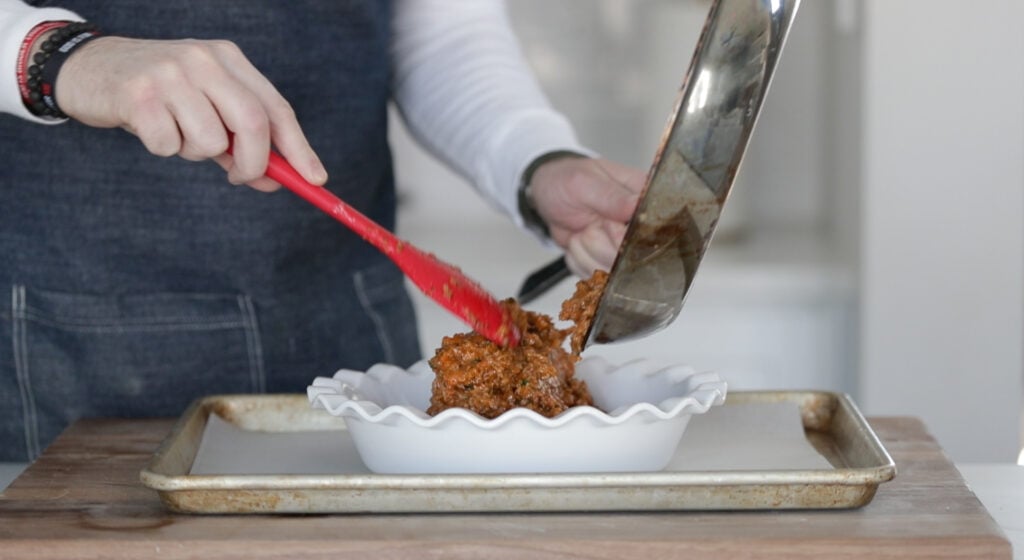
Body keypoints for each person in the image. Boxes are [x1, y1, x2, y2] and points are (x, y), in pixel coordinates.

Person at [0, 0, 645, 462]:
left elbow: (441, 32)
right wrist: (53, 53)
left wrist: (537, 164)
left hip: (346, 324)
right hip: (65, 345)